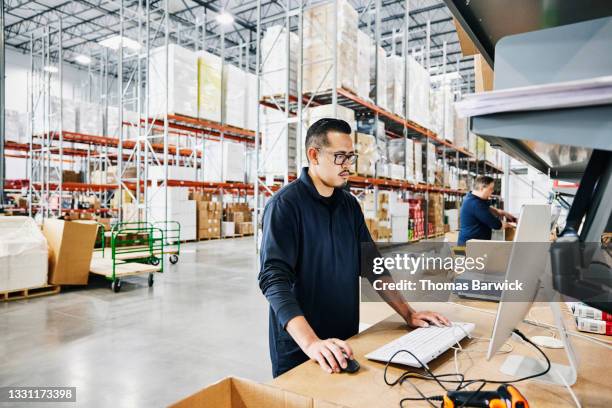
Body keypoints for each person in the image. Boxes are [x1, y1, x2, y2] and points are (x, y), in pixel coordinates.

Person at [258, 118, 450, 378]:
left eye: (351, 157)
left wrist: (409, 314)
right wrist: (311, 343)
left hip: (346, 342)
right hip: (301, 350)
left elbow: (373, 265)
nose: (348, 166)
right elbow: (274, 281)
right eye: (340, 157)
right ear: (313, 155)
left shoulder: (349, 206)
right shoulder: (285, 206)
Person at [458, 175, 516, 246]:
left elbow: (487, 207)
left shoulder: (471, 197)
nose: (492, 191)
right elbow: (497, 225)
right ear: (482, 188)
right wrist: (511, 226)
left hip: (469, 244)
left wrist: (500, 212)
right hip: (468, 247)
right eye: (490, 189)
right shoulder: (476, 204)